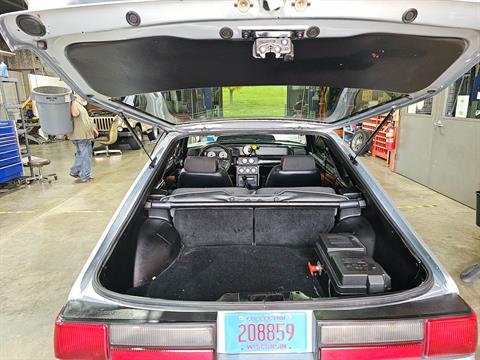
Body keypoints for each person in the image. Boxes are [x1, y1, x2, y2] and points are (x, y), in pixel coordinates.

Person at [68, 94, 98, 182]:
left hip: (83, 134)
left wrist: (93, 128)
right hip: (81, 135)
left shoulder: (80, 105)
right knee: (86, 156)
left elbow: (84, 119)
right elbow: (75, 114)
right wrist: (72, 101)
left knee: (80, 154)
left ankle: (74, 171)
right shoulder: (74, 104)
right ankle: (85, 176)